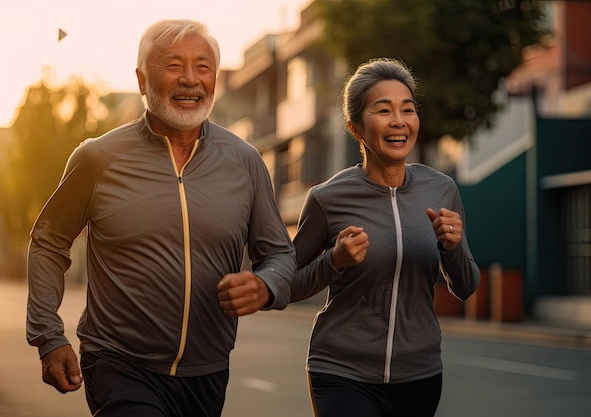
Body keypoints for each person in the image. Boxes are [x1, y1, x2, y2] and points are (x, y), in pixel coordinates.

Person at [26, 19, 296, 417]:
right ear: (141, 80)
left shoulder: (245, 162)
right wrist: (49, 337)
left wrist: (266, 285)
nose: (190, 79)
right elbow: (49, 242)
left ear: (215, 79)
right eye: (173, 65)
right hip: (119, 363)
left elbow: (279, 254)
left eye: (202, 67)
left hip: (208, 371)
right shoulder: (97, 157)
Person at [290, 58, 480, 417]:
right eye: (383, 110)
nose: (399, 121)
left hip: (419, 376)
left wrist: (452, 249)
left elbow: (467, 285)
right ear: (356, 127)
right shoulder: (328, 198)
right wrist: (333, 262)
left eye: (407, 110)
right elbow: (286, 284)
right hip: (341, 372)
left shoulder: (441, 190)